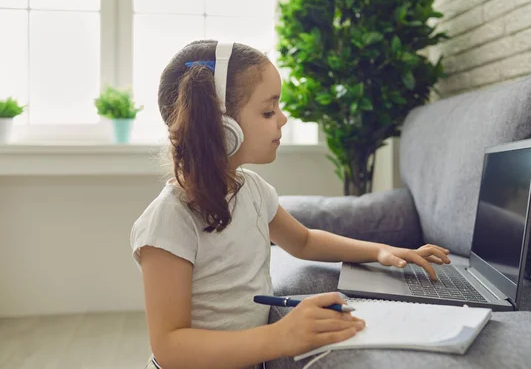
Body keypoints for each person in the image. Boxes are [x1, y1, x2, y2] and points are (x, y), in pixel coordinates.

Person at [130, 40, 451, 369]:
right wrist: (280, 337)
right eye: (268, 111)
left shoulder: (252, 191)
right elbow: (170, 345)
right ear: (221, 127)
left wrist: (380, 252)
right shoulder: (170, 219)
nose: (282, 119)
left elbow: (305, 241)